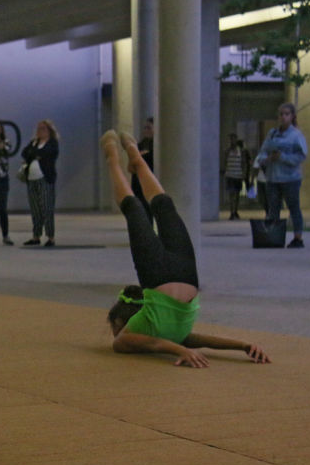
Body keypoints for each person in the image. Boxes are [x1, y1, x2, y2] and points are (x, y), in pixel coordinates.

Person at [100, 130, 270, 368]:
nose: (115, 333)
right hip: (185, 272)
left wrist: (179, 349)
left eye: (115, 328)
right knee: (164, 206)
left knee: (136, 210)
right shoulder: (175, 333)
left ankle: (113, 159)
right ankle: (136, 161)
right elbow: (204, 340)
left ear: (121, 322)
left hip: (156, 276)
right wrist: (242, 345)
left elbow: (150, 345)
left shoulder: (133, 334)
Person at [258, 103, 307, 248]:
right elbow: (263, 152)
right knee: (273, 208)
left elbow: (301, 156)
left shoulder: (296, 135)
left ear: (292, 116)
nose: (283, 117)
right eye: (281, 114)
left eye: (286, 114)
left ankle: (298, 238)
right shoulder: (272, 133)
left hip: (290, 178)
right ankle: (273, 236)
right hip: (273, 178)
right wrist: (266, 160)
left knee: (293, 207)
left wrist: (283, 157)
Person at [21, 119, 60, 247]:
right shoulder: (34, 142)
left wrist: (35, 154)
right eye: (38, 129)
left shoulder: (52, 143)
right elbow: (25, 153)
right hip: (31, 179)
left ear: (49, 130)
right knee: (35, 209)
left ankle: (51, 237)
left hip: (45, 178)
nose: (40, 131)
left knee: (47, 208)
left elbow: (47, 153)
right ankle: (36, 236)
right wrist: (35, 154)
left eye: (43, 128)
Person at [130, 117, 155, 223]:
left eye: (149, 128)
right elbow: (131, 165)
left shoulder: (159, 147)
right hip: (138, 183)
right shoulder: (139, 145)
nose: (146, 130)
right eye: (145, 128)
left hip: (151, 182)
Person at [223, 133, 250, 221]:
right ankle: (232, 211)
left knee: (237, 194)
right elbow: (225, 162)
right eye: (231, 139)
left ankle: (235, 210)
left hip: (238, 175)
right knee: (231, 194)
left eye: (233, 139)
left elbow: (244, 163)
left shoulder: (241, 151)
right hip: (230, 174)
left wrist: (244, 173)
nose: (232, 141)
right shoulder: (227, 151)